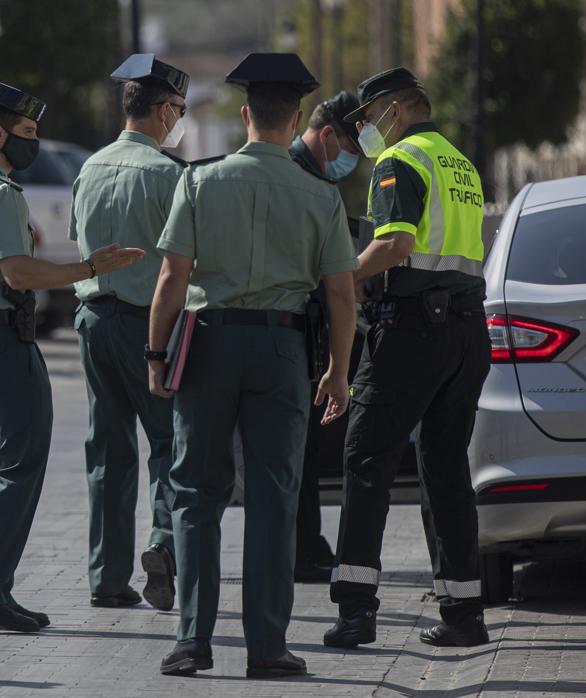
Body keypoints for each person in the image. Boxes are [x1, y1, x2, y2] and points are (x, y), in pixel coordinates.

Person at [146, 53, 357, 678]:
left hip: (207, 343)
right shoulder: (321, 197)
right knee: (274, 497)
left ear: (244, 115)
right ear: (295, 121)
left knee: (196, 494)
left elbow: (170, 279)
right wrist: (338, 370)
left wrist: (156, 356)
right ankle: (267, 648)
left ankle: (192, 642)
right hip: (281, 350)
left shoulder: (199, 182)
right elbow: (342, 295)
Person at [0, 75, 144, 634]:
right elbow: (18, 272)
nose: (33, 142)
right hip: (0, 339)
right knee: (20, 467)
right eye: (26, 132)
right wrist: (92, 267)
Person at [323, 67, 490, 649]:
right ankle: (464, 615)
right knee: (445, 469)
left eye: (369, 119)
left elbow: (396, 244)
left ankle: (354, 611)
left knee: (366, 456)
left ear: (394, 109)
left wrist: (338, 275)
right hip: (468, 333)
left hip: (415, 331)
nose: (367, 130)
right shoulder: (459, 162)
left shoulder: (402, 160)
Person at [71, 53, 189, 612]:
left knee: (108, 451)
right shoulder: (170, 174)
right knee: (169, 443)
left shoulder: (88, 168)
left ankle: (107, 577)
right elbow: (188, 259)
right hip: (151, 327)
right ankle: (164, 545)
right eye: (180, 110)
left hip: (95, 321)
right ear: (164, 110)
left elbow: (79, 240)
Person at [288, 90, 365, 584]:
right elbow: (331, 281)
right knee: (296, 448)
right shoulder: (301, 180)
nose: (350, 164)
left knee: (306, 448)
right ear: (328, 134)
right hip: (291, 329)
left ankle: (306, 542)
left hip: (301, 329)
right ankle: (299, 548)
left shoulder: (312, 176)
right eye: (349, 151)